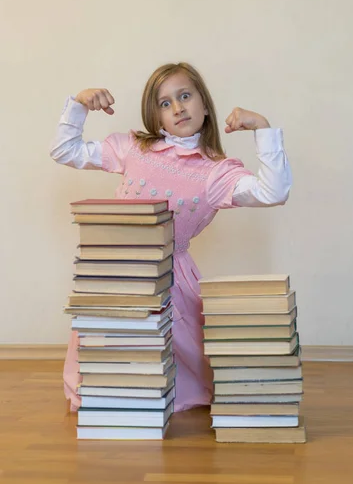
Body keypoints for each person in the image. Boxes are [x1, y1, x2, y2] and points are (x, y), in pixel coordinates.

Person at [50, 62, 293, 412]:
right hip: (115, 276)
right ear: (156, 115)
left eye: (185, 96)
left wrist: (264, 130)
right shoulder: (134, 147)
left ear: (204, 104)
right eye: (165, 103)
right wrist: (79, 104)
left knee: (167, 363)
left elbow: (274, 192)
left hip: (170, 281)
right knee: (110, 363)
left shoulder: (216, 173)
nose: (178, 108)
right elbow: (64, 150)